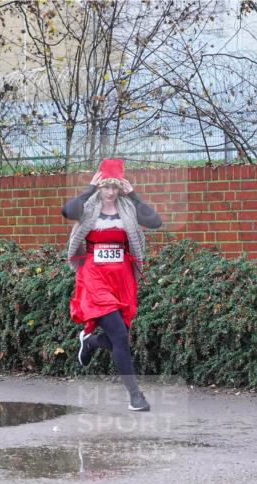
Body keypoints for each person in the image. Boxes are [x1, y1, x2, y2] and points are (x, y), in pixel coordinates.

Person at [63, 158, 162, 411]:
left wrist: (135, 195)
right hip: (94, 277)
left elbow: (155, 222)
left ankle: (91, 342)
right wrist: (88, 190)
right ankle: (135, 396)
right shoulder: (88, 206)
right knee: (119, 335)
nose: (110, 192)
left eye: (114, 187)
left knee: (119, 336)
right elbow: (68, 211)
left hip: (122, 279)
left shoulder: (128, 207)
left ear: (120, 188)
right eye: (106, 187)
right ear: (100, 187)